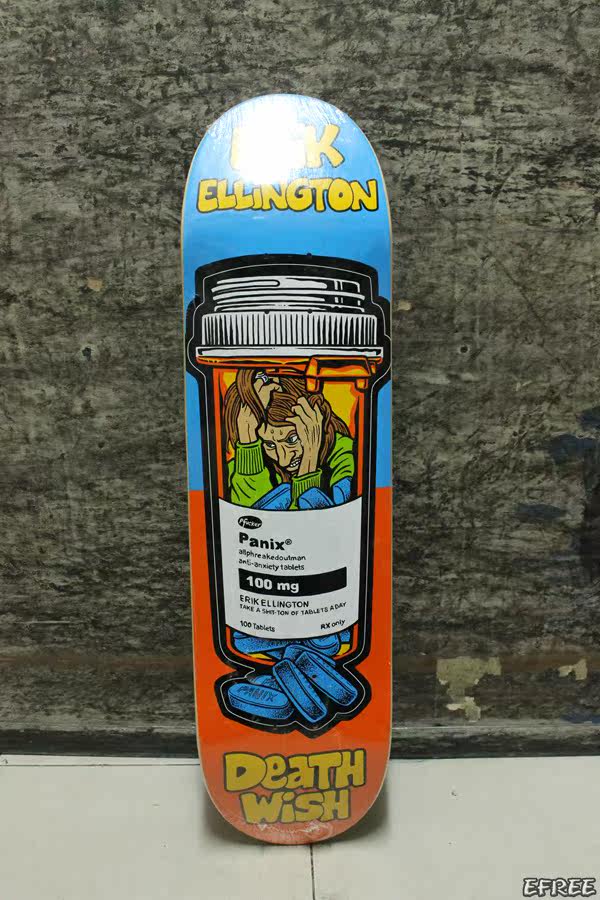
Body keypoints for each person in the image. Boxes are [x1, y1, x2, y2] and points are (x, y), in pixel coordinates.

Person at [223, 370, 355, 510]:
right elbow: (249, 516)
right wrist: (248, 441)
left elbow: (309, 519)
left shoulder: (348, 457)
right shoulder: (237, 468)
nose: (284, 460)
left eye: (292, 439)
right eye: (270, 444)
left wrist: (309, 457)